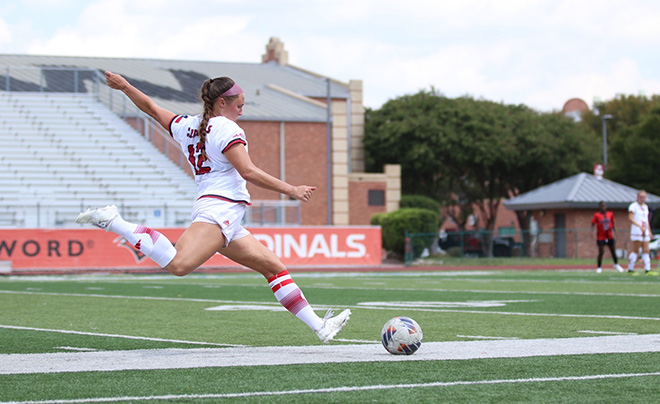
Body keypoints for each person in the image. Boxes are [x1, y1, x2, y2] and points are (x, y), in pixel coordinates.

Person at [76, 71, 351, 342]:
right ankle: (114, 221)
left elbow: (151, 108)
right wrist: (292, 189)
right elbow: (248, 172)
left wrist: (125, 85)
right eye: (239, 105)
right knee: (179, 264)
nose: (241, 111)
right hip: (220, 209)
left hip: (222, 211)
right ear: (222, 103)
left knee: (274, 268)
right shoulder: (227, 128)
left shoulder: (187, 125)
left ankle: (320, 327)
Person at [626, 190, 658, 275]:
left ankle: (647, 269)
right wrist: (639, 226)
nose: (642, 199)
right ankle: (630, 269)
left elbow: (646, 220)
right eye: (641, 197)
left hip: (645, 232)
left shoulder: (645, 207)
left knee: (646, 250)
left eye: (644, 197)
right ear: (637, 197)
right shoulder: (633, 206)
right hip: (637, 231)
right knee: (636, 250)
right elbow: (630, 217)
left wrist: (649, 231)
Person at [591, 201, 624, 273]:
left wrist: (616, 233)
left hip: (609, 235)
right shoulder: (597, 215)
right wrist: (592, 234)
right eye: (602, 206)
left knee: (613, 251)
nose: (603, 207)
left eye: (604, 206)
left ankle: (616, 264)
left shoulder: (610, 214)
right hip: (600, 236)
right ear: (599, 207)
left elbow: (613, 223)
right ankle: (599, 267)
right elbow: (593, 224)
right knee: (601, 252)